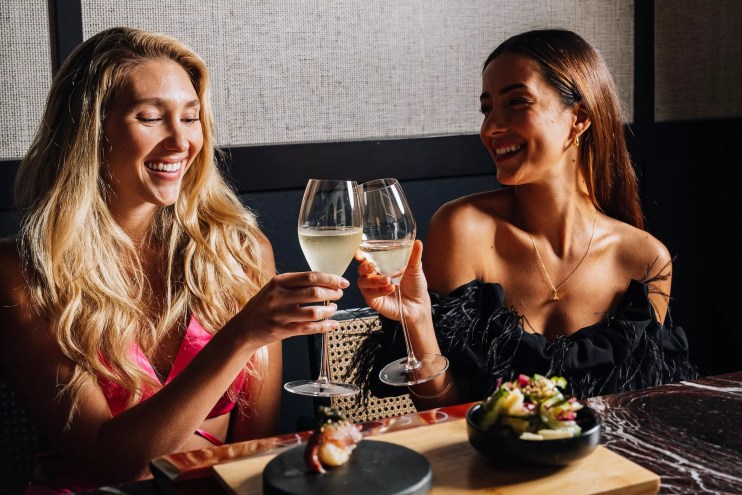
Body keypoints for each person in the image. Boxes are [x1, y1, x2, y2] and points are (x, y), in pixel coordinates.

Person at [0, 27, 349, 493]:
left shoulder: (238, 252)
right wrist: (242, 335)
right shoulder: (23, 271)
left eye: (190, 117)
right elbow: (112, 464)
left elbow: (255, 448)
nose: (180, 141)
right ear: (89, 131)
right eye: (149, 117)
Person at [352, 29, 696, 411]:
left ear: (579, 118)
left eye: (516, 102)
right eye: (487, 109)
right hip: (487, 450)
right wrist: (418, 320)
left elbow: (641, 412)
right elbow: (443, 412)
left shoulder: (646, 260)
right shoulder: (462, 229)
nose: (490, 128)